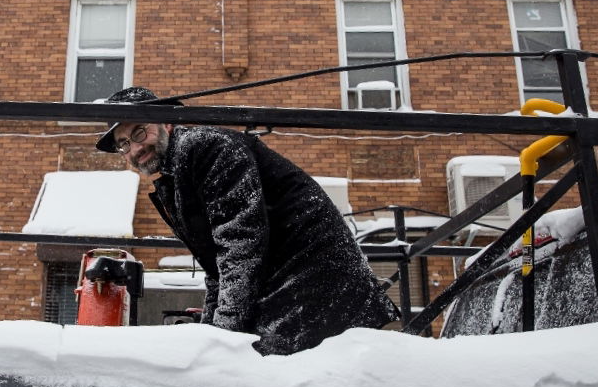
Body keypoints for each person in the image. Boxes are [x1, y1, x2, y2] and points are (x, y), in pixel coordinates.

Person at [96, 86, 399, 355]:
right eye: (124, 144)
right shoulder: (177, 174)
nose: (135, 148)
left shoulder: (205, 148)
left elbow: (240, 245)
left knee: (273, 379)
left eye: (139, 132)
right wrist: (211, 332)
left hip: (313, 278)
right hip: (291, 279)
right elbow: (217, 266)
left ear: (166, 122)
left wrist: (222, 338)